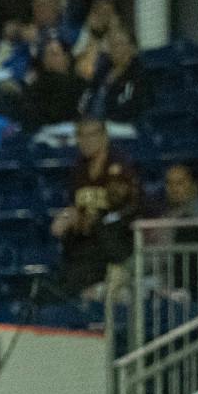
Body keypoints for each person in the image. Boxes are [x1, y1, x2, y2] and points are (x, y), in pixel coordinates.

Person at [50, 118, 141, 299]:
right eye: (81, 135)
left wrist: (97, 219)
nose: (86, 140)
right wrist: (68, 218)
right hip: (84, 245)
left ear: (105, 137)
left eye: (92, 135)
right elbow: (76, 205)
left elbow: (127, 205)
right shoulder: (78, 169)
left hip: (115, 243)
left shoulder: (119, 165)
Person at [79, 23, 151, 123]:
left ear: (133, 48)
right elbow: (87, 98)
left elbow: (134, 109)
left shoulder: (140, 73)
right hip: (92, 123)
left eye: (119, 44)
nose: (114, 49)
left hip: (122, 126)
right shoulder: (103, 70)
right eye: (112, 45)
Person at [21, 39, 84, 128]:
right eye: (46, 55)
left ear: (67, 57)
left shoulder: (78, 82)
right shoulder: (39, 82)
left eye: (54, 54)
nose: (48, 59)